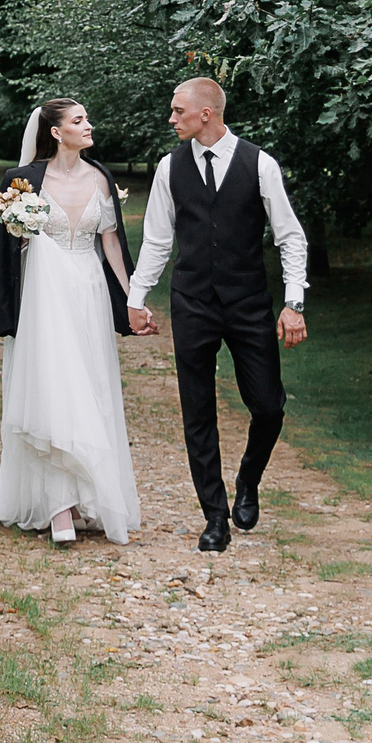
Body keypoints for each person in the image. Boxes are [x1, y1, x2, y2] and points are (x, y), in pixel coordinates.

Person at [124, 76, 310, 553]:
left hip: (249, 303)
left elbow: (290, 236)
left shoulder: (259, 164)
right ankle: (215, 516)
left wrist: (294, 303)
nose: (171, 119)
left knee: (268, 405)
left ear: (206, 114)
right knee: (198, 412)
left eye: (178, 111)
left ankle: (249, 481)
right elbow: (159, 239)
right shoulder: (170, 167)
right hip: (192, 304)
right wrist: (136, 297)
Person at [0, 98, 141, 545]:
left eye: (88, 118)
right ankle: (58, 506)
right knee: (53, 390)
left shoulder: (100, 177)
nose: (89, 126)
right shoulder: (21, 182)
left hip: (87, 292)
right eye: (79, 120)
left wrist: (132, 298)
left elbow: (112, 245)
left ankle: (90, 497)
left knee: (90, 388)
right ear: (56, 132)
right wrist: (12, 303)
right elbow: (1, 253)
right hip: (45, 298)